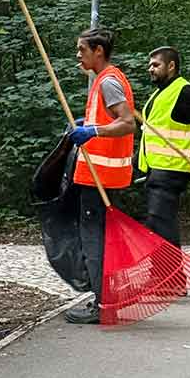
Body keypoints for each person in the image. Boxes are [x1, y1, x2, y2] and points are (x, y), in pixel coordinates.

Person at [64, 28, 136, 324]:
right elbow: (110, 118)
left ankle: (103, 304)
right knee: (103, 239)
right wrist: (89, 122)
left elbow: (127, 123)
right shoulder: (106, 79)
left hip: (101, 178)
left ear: (98, 51)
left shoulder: (108, 81)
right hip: (102, 176)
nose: (78, 55)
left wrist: (92, 130)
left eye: (82, 49)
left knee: (95, 241)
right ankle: (110, 298)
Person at [138, 46, 190, 250]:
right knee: (157, 223)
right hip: (156, 169)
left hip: (172, 169)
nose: (150, 69)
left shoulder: (185, 92)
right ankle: (164, 268)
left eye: (155, 65)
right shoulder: (160, 94)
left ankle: (170, 269)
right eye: (150, 65)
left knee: (160, 223)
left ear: (171, 66)